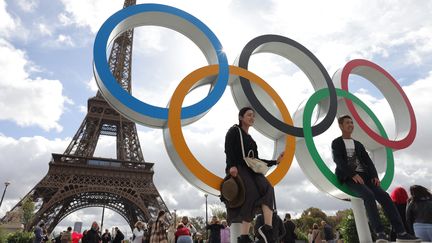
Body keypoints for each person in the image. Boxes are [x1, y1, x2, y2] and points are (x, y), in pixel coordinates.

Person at [331, 115, 420, 242]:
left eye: (352, 122)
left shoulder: (358, 144)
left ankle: (401, 232)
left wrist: (374, 176)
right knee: (368, 195)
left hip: (366, 177)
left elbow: (368, 162)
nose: (350, 125)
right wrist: (352, 174)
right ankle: (380, 234)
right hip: (350, 177)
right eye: (347, 123)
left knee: (385, 196)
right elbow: (338, 160)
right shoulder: (336, 143)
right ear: (341, 126)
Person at [224, 107, 284, 243]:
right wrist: (231, 166)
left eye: (253, 116)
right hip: (238, 168)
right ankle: (244, 236)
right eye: (249, 115)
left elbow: (256, 161)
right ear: (241, 117)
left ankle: (267, 229)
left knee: (268, 188)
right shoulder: (234, 131)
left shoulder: (251, 140)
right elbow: (228, 149)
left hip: (251, 170)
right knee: (250, 194)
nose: (252, 118)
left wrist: (275, 161)